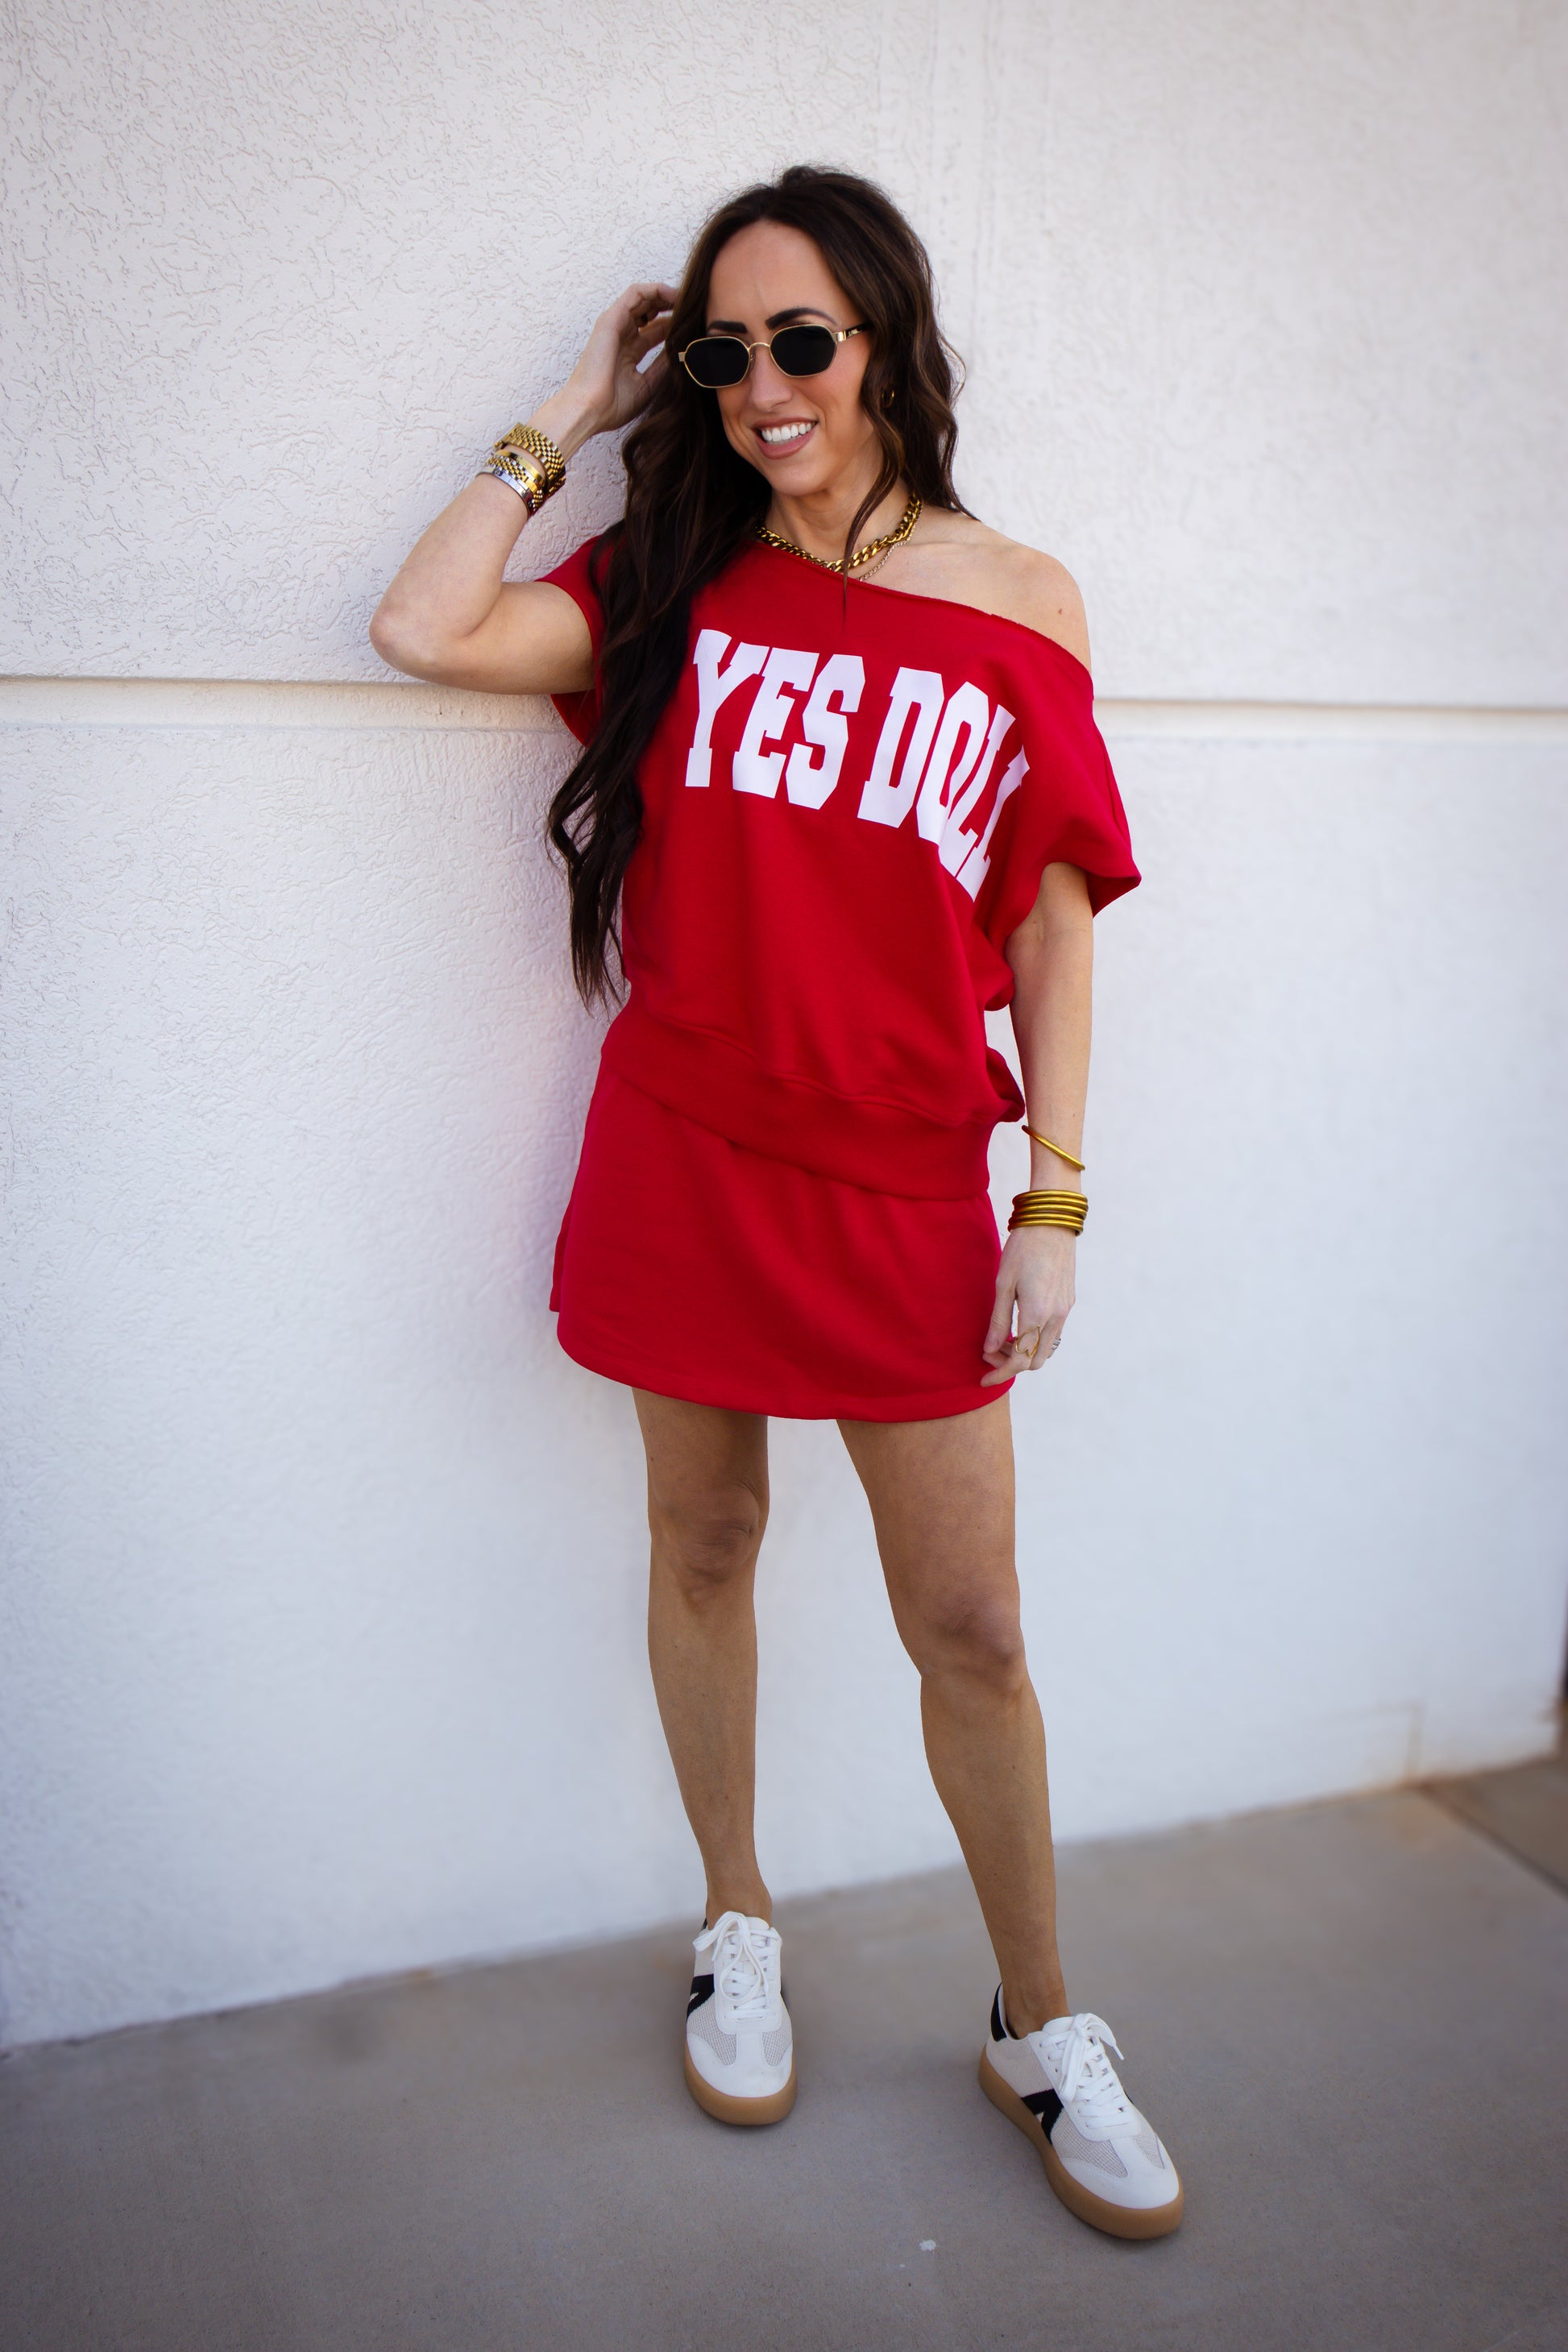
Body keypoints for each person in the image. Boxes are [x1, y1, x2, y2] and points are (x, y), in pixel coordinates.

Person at [370, 165, 1182, 2241]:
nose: (761, 387)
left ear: (889, 341)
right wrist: (571, 405)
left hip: (906, 1182)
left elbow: (1051, 915)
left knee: (971, 1625)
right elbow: (425, 627)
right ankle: (736, 1924)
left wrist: (1055, 1200)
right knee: (707, 1538)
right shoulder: (674, 579)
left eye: (800, 340)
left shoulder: (1020, 599)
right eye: (724, 354)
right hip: (688, 1150)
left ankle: (1040, 2021)